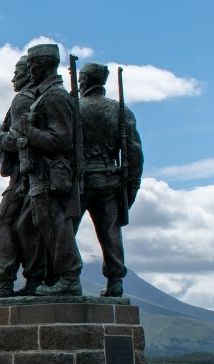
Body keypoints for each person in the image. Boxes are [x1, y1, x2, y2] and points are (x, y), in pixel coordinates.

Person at [0, 56, 45, 301]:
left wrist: (0, 135)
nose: (13, 78)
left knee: (5, 223)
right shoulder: (41, 98)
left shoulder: (23, 99)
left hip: (25, 177)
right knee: (29, 229)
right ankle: (34, 280)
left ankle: (5, 282)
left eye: (17, 73)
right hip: (36, 175)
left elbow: (20, 140)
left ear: (29, 73)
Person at [14, 44, 83, 296]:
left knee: (56, 225)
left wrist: (28, 131)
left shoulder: (55, 96)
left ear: (41, 65)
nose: (30, 72)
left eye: (32, 66)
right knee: (33, 225)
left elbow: (62, 140)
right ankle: (38, 280)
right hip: (40, 174)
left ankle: (69, 277)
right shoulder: (46, 95)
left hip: (52, 176)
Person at [75, 63, 144, 297]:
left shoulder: (75, 108)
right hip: (110, 179)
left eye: (81, 78)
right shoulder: (120, 110)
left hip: (81, 181)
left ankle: (67, 275)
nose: (79, 82)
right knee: (110, 233)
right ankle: (115, 280)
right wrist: (132, 184)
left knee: (65, 229)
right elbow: (133, 151)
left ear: (85, 80)